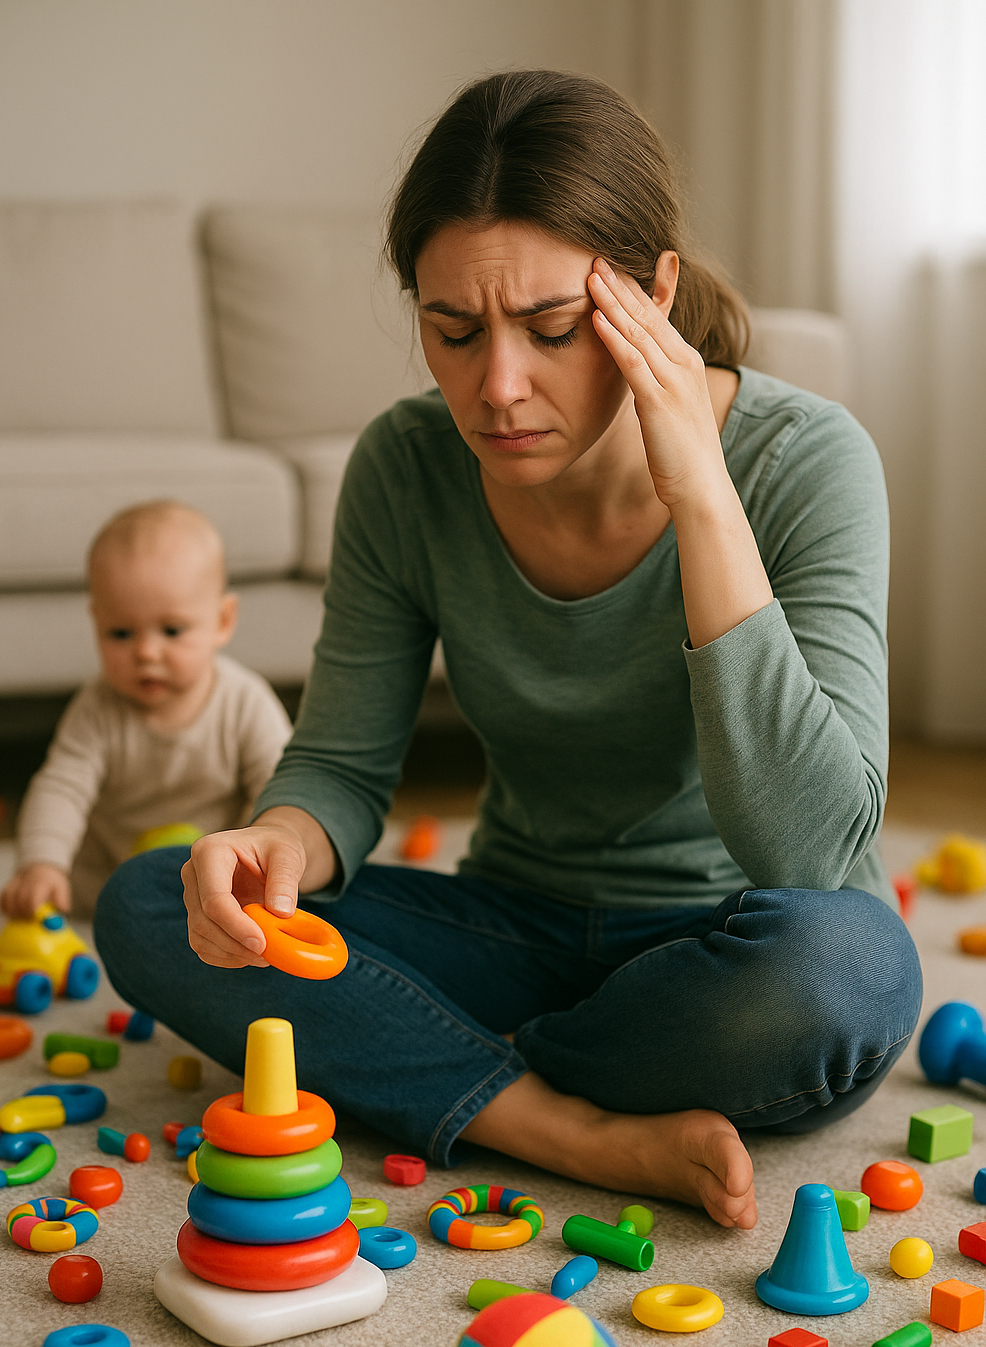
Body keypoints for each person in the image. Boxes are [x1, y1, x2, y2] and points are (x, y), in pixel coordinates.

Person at [95, 72, 922, 1228]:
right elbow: (338, 767)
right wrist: (276, 844)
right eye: (452, 330)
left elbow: (812, 851)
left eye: (552, 329)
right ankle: (566, 1129)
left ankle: (432, 1062)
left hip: (728, 948)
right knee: (153, 899)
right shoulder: (404, 468)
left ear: (653, 296)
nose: (497, 388)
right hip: (509, 927)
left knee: (852, 973)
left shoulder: (809, 460)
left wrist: (700, 496)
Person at [1, 500, 291, 918]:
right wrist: (41, 864)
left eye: (171, 630)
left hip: (213, 874)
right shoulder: (98, 708)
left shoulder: (244, 702)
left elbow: (277, 785)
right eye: (121, 633)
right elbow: (62, 788)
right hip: (111, 871)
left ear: (223, 621)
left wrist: (257, 861)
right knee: (70, 903)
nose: (146, 652)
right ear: (96, 622)